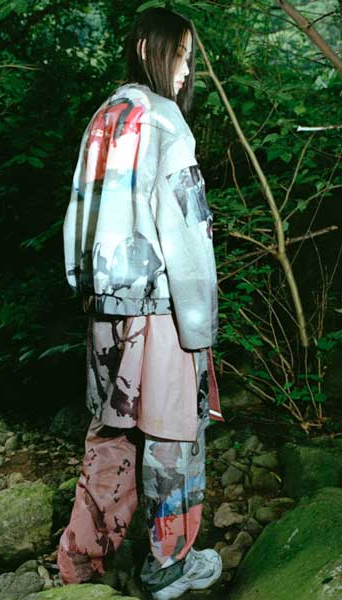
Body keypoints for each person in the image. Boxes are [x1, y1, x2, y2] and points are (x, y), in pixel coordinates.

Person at [57, 7, 224, 599]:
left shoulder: (105, 115)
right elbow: (187, 232)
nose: (184, 72)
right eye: (181, 57)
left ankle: (80, 564)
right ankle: (169, 566)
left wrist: (89, 291)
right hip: (161, 308)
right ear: (154, 52)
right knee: (174, 436)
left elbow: (78, 215)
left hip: (106, 307)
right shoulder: (165, 121)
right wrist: (201, 326)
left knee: (111, 434)